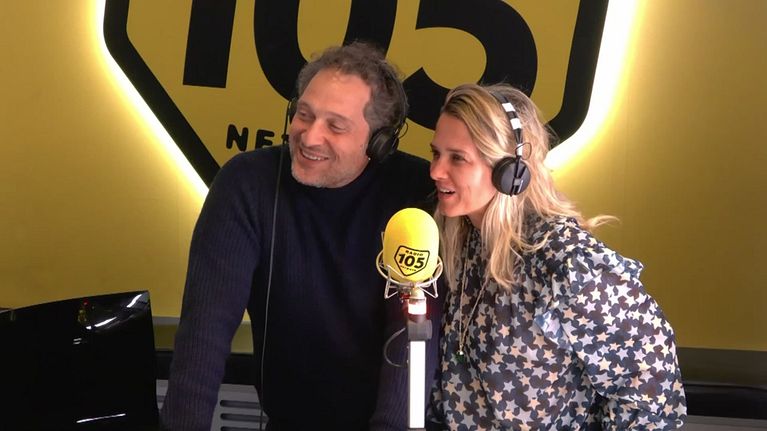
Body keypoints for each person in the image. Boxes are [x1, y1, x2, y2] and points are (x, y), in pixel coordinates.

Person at [160, 41, 440, 430]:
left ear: (379, 142)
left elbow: (411, 345)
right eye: (304, 115)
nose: (309, 137)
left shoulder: (416, 195)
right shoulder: (246, 184)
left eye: (335, 126)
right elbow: (203, 335)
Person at [426, 83, 687, 430]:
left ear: (510, 173)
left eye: (457, 158)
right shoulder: (462, 239)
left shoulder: (566, 262)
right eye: (436, 154)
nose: (436, 171)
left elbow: (651, 375)